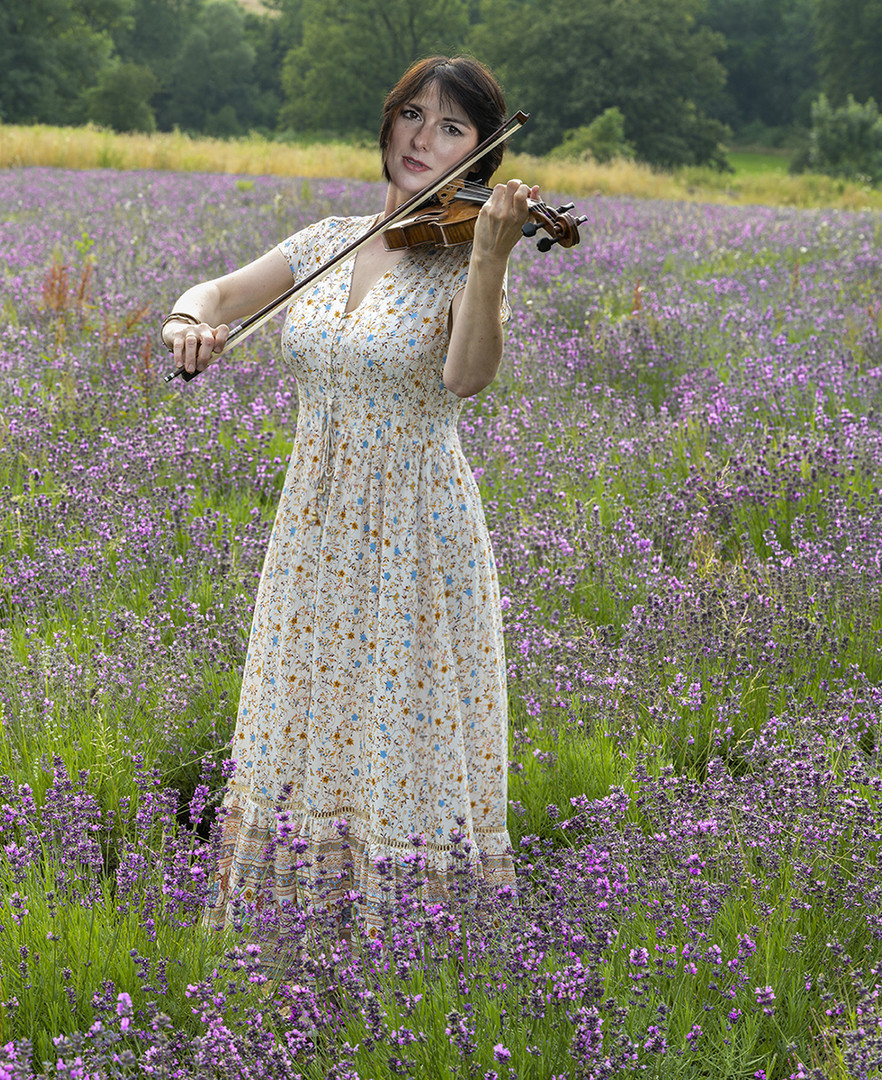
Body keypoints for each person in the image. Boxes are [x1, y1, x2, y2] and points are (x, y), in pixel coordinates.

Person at [160, 55, 534, 938]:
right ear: (387, 121)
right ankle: (291, 943)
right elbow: (215, 292)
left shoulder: (463, 258)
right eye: (413, 114)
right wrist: (188, 321)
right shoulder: (326, 240)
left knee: (398, 727)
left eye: (452, 128)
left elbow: (468, 376)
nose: (422, 139)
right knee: (308, 714)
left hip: (414, 528)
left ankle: (405, 946)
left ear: (479, 155)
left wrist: (488, 260)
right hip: (316, 527)